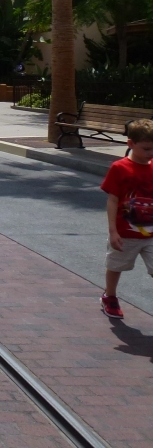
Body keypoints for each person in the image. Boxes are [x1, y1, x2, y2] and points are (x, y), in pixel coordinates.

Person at [99, 119, 153, 319]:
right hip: (125, 233)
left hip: (151, 234)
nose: (151, 153)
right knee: (116, 266)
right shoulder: (120, 168)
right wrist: (113, 231)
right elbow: (112, 200)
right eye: (146, 149)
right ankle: (109, 296)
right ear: (131, 144)